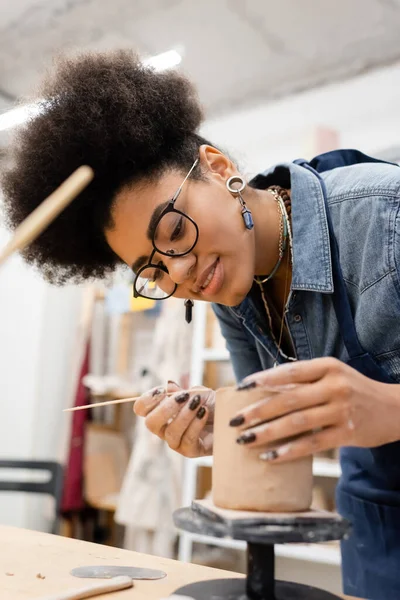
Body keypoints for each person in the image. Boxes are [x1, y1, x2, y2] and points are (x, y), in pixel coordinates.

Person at [2, 50, 400, 600]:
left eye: (173, 229)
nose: (181, 271)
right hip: (378, 514)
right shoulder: (229, 287)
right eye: (152, 268)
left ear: (217, 167)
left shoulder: (386, 217)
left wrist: (387, 408)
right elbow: (271, 416)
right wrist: (226, 424)